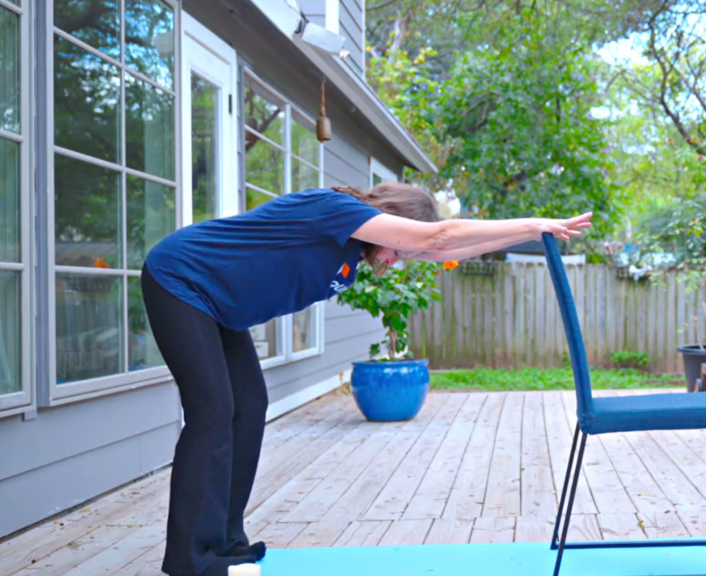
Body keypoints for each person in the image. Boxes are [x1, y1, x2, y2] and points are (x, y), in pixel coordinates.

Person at [141, 182, 592, 576]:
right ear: (390, 218)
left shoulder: (351, 249)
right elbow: (438, 237)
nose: (396, 260)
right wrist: (533, 221)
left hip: (219, 306)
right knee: (214, 412)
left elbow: (440, 247)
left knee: (249, 408)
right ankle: (193, 560)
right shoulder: (334, 210)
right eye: (399, 247)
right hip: (181, 280)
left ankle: (224, 545)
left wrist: (530, 234)